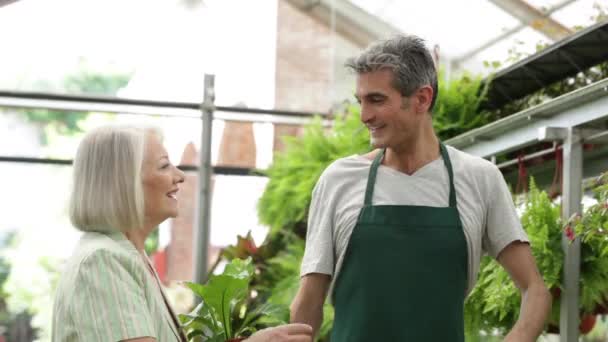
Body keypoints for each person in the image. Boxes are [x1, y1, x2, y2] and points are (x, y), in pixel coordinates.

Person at [290, 35, 551, 341]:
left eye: (376, 99)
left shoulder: (479, 179)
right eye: (360, 101)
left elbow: (535, 290)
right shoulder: (339, 179)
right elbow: (309, 300)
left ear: (422, 99)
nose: (364, 116)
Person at [52, 125, 313, 342]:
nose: (179, 176)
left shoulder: (126, 255)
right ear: (125, 181)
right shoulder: (103, 260)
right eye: (164, 166)